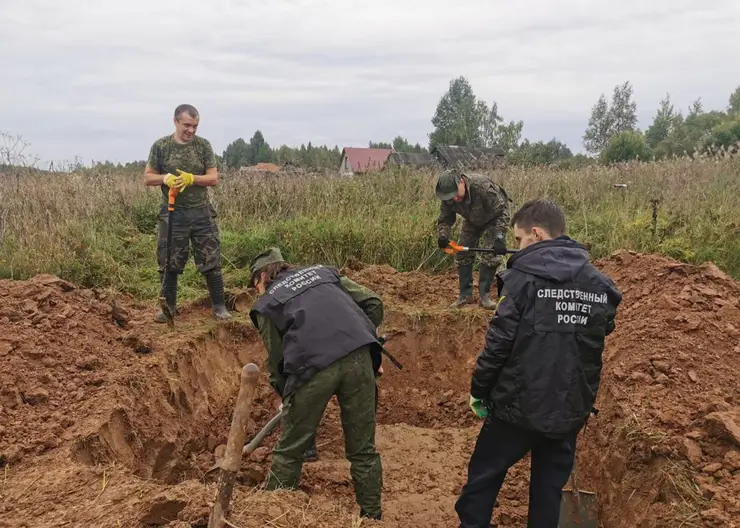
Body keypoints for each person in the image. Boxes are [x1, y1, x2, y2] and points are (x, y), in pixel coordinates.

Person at [455, 199, 622, 528]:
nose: (517, 246)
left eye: (519, 240)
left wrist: (480, 391)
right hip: (569, 409)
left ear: (536, 233)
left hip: (516, 408)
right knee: (548, 490)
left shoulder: (520, 280)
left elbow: (499, 344)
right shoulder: (599, 285)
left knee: (484, 477)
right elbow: (603, 329)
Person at [248, 247, 385, 521]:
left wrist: (284, 393)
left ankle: (273, 518)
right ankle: (372, 518)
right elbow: (373, 302)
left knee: (289, 452)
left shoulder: (266, 305)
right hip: (358, 359)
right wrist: (363, 339)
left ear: (263, 276)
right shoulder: (323, 272)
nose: (257, 292)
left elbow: (276, 360)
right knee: (363, 451)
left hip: (311, 367)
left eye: (255, 285)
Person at [143, 104, 230, 322]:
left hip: (201, 213)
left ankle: (219, 306)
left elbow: (213, 178)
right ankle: (169, 308)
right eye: (187, 125)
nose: (191, 130)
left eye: (195, 126)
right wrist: (164, 178)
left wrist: (192, 178)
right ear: (176, 122)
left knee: (211, 260)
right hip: (173, 214)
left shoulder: (203, 146)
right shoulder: (161, 146)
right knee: (169, 261)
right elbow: (147, 178)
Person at [436, 169, 512, 309]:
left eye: (455, 194)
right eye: (450, 197)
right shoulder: (448, 197)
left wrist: (500, 237)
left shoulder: (482, 187)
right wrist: (443, 235)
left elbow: (503, 211)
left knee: (491, 253)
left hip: (494, 218)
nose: (454, 199)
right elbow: (445, 220)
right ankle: (465, 296)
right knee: (462, 253)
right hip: (472, 220)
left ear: (461, 182)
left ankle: (484, 297)